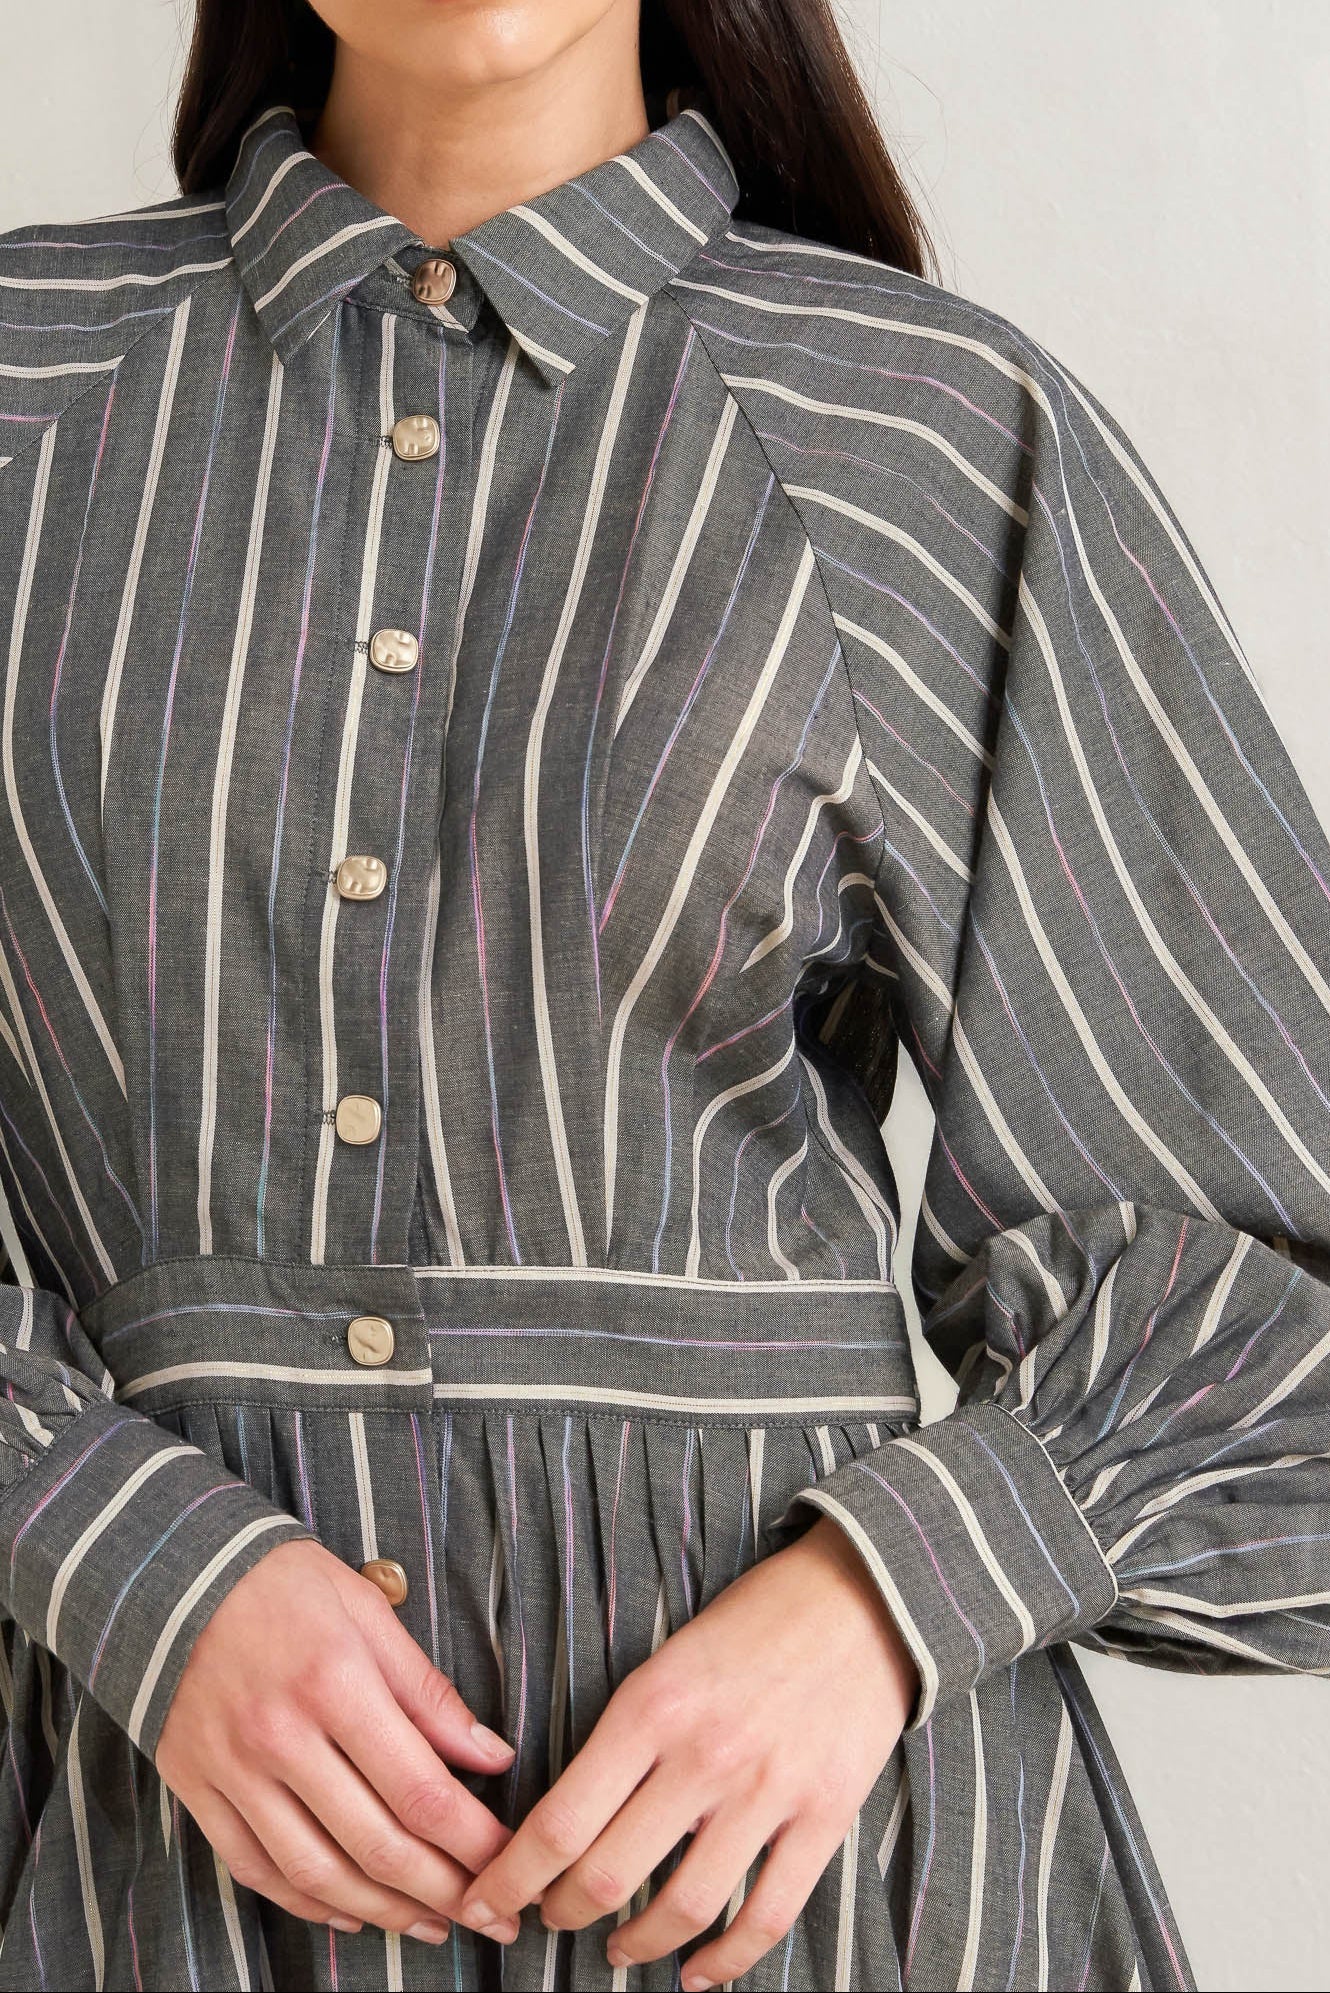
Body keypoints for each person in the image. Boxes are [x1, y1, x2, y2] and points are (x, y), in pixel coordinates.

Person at [0, 0, 1326, 1987]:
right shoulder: (30, 396)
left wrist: (886, 1597)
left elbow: (1286, 1304)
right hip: (135, 1870)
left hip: (814, 1897)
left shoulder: (918, 431)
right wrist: (101, 1536)